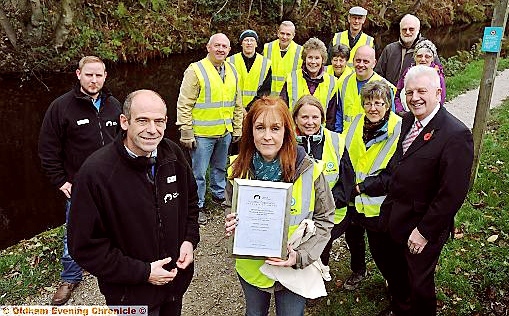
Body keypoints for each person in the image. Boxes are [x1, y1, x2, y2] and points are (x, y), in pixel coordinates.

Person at [68, 90, 200, 314]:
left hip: (174, 286)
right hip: (129, 297)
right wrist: (144, 272)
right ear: (124, 121)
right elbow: (84, 247)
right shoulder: (96, 173)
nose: (152, 129)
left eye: (159, 121)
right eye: (142, 121)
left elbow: (190, 203)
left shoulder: (173, 155)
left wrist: (188, 240)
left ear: (167, 122)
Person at [369, 66, 474, 316]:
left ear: (438, 93)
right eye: (410, 91)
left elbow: (452, 193)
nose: (414, 97)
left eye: (421, 91)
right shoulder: (407, 121)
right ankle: (401, 308)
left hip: (423, 224)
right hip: (396, 213)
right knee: (397, 273)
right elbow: (399, 163)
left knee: (419, 283)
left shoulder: (456, 134)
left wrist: (424, 232)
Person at [224, 97, 335, 315]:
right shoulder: (236, 170)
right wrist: (232, 221)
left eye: (275, 128)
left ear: (287, 131)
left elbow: (325, 218)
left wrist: (300, 256)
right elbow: (230, 206)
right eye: (259, 128)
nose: (267, 136)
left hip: (294, 265)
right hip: (252, 266)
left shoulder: (310, 170)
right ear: (250, 131)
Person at [38, 55, 121, 305]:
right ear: (78, 75)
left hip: (114, 182)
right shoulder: (61, 107)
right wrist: (60, 181)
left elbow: (124, 141)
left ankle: (118, 267)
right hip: (79, 186)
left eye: (99, 75)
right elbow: (47, 149)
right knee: (74, 232)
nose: (94, 80)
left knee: (119, 225)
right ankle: (70, 276)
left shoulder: (114, 105)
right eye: (89, 75)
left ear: (105, 76)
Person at [176, 33, 244, 225]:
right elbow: (184, 103)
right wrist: (186, 131)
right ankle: (196, 206)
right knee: (198, 173)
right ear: (208, 47)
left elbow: (237, 103)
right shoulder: (195, 70)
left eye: (225, 46)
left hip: (224, 131)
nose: (221, 49)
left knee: (221, 168)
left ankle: (218, 195)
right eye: (217, 46)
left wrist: (237, 128)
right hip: (202, 134)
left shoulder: (232, 70)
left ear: (229, 50)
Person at [342, 81, 402, 291]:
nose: (373, 108)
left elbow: (394, 173)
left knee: (382, 248)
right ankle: (358, 270)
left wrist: (362, 187)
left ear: (387, 105)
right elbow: (345, 157)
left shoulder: (398, 128)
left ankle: (393, 282)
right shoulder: (356, 123)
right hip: (353, 199)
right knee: (353, 238)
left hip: (379, 202)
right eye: (368, 103)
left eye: (378, 103)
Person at [292, 95, 355, 281]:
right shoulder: (286, 142)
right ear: (295, 118)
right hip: (297, 215)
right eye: (304, 117)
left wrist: (322, 207)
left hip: (332, 213)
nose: (310, 122)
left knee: (321, 246)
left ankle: (317, 278)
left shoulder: (337, 141)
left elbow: (346, 182)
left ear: (322, 118)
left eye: (315, 117)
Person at [280, 37, 339, 130]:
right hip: (294, 133)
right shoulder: (292, 78)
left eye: (317, 58)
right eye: (310, 57)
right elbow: (282, 109)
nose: (313, 62)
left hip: (320, 135)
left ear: (323, 60)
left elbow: (332, 116)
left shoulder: (332, 82)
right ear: (304, 58)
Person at [334, 45, 395, 133]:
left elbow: (390, 120)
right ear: (353, 60)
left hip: (372, 140)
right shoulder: (343, 83)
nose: (361, 64)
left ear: (374, 63)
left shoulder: (386, 87)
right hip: (346, 139)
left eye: (366, 61)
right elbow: (339, 113)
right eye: (358, 61)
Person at [374, 14, 440, 86]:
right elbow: (378, 75)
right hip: (390, 94)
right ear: (400, 30)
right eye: (404, 29)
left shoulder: (427, 50)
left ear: (418, 30)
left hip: (415, 95)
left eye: (411, 29)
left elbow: (438, 76)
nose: (407, 32)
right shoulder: (389, 49)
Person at [394, 40, 446, 116]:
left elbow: (440, 101)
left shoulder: (437, 76)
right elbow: (397, 94)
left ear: (432, 59)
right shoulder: (408, 72)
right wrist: (400, 110)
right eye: (419, 56)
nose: (423, 59)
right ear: (415, 57)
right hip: (404, 115)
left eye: (427, 56)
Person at [228, 29, 272, 111]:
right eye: (246, 40)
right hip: (234, 108)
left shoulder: (266, 63)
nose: (249, 43)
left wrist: (250, 108)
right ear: (241, 43)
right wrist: (240, 107)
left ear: (256, 44)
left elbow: (265, 90)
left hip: (256, 108)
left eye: (252, 40)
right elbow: (228, 87)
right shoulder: (230, 61)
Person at [263, 21, 303, 96]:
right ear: (278, 33)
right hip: (269, 98)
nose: (284, 37)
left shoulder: (301, 52)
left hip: (289, 98)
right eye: (282, 33)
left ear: (293, 35)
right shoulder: (267, 48)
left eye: (288, 34)